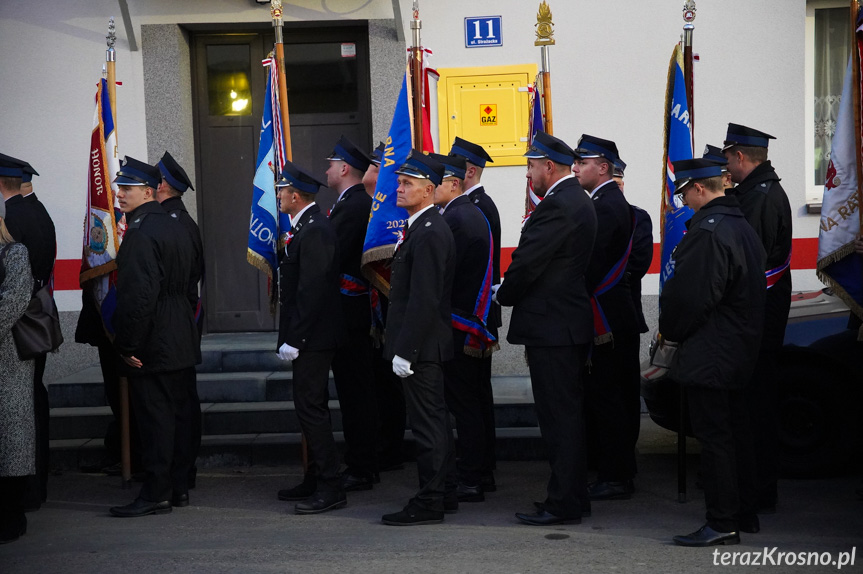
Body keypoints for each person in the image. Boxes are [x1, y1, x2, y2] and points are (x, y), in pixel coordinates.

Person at [660, 158, 765, 547]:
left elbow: (689, 300)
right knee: (737, 434)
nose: (683, 199)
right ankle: (743, 512)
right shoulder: (739, 225)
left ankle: (722, 522)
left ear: (699, 189)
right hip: (737, 349)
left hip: (712, 352)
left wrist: (670, 335)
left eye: (684, 192)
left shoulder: (708, 231)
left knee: (717, 439)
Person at [495, 132, 597, 526]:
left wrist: (503, 295)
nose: (528, 173)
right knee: (565, 417)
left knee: (559, 420)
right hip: (562, 325)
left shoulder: (559, 205)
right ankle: (572, 497)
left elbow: (527, 261)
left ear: (548, 167)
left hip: (554, 328)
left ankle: (564, 503)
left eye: (531, 165)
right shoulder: (575, 200)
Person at [108, 156, 198, 517]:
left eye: (126, 189)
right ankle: (176, 488)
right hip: (178, 330)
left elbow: (138, 297)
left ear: (148, 192)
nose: (119, 195)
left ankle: (156, 492)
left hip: (155, 337)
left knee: (156, 419)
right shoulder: (178, 225)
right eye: (119, 188)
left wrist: (127, 344)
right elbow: (190, 286)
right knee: (176, 416)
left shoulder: (142, 233)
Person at [381, 151, 456, 526]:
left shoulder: (429, 232)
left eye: (407, 183)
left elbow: (425, 298)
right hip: (422, 346)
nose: (399, 187)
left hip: (422, 349)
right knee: (433, 424)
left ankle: (430, 502)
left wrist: (406, 351)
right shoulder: (420, 227)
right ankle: (443, 493)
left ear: (429, 191)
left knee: (428, 427)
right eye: (400, 182)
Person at [722, 124, 792, 513]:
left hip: (757, 321)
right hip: (756, 319)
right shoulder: (755, 192)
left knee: (756, 411)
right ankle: (754, 487)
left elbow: (753, 263)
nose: (726, 165)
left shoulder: (761, 198)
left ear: (743, 157)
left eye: (729, 157)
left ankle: (759, 491)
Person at [274, 161, 347, 515]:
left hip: (314, 337)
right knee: (308, 408)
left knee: (312, 409)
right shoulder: (305, 225)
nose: (278, 196)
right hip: (309, 335)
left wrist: (297, 339)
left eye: (281, 191)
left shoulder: (315, 229)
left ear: (296, 195)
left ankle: (330, 486)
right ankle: (315, 477)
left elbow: (312, 290)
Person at [571, 135, 641, 501]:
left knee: (610, 397)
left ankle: (616, 476)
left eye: (583, 162)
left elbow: (589, 263)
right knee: (611, 396)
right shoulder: (607, 201)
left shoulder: (605, 206)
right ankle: (615, 470)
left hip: (606, 317)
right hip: (612, 313)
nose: (576, 168)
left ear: (603, 168)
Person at [429, 152, 495, 503]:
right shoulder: (463, 213)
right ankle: (479, 471)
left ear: (454, 184)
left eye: (434, 183)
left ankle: (471, 476)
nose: (429, 189)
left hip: (459, 325)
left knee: (464, 405)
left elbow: (445, 278)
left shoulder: (456, 218)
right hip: (465, 324)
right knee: (470, 403)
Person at [323, 136, 380, 492]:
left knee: (356, 393)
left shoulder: (355, 206)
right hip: (348, 313)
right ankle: (361, 461)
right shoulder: (351, 203)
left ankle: (361, 465)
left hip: (351, 315)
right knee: (353, 391)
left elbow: (331, 256)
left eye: (331, 164)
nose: (326, 170)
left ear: (344, 169)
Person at [0, 153, 56, 510]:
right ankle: (35, 488)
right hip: (31, 328)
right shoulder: (38, 211)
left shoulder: (15, 217)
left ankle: (26, 493)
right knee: (29, 410)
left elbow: (16, 288)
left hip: (17, 333)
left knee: (19, 420)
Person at [448, 137, 500, 492]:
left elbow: (482, 270)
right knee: (476, 397)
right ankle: (481, 466)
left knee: (470, 398)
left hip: (472, 315)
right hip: (474, 314)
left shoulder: (477, 207)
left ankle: (477, 470)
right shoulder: (473, 205)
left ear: (468, 171)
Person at [156, 151, 204, 489]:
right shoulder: (183, 221)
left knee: (178, 402)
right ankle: (183, 471)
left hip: (175, 320)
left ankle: (180, 472)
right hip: (184, 318)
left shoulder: (172, 225)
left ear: (162, 186)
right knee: (183, 399)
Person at [363, 141, 407, 472]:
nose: (369, 174)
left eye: (374, 168)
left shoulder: (394, 216)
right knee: (382, 382)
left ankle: (393, 445)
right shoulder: (373, 211)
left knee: (393, 384)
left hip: (397, 312)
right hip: (378, 313)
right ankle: (385, 442)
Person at [0, 172, 35, 544]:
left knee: (11, 442)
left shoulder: (14, 252)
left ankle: (12, 517)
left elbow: (13, 300)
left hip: (8, 360)